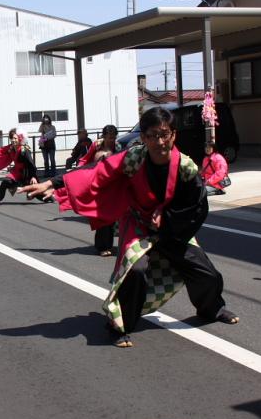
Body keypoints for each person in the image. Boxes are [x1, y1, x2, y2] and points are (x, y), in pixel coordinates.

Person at [21, 107, 240, 348]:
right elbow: (95, 172)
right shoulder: (133, 158)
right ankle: (119, 325)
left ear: (173, 135)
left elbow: (196, 206)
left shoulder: (185, 167)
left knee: (204, 270)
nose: (160, 142)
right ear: (143, 138)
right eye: (153, 135)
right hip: (138, 224)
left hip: (174, 228)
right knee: (134, 272)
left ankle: (212, 309)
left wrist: (166, 216)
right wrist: (53, 182)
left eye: (164, 134)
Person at [78, 125, 122, 256]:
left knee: (111, 217)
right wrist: (78, 172)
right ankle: (101, 246)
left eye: (113, 138)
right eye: (109, 138)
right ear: (104, 136)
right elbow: (84, 160)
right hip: (97, 185)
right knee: (101, 217)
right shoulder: (96, 146)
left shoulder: (118, 147)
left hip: (112, 186)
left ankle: (108, 245)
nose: (111, 140)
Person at [0, 128, 38, 206]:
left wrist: (33, 176)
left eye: (15, 138)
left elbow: (31, 164)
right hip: (16, 172)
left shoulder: (24, 150)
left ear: (20, 138)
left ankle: (48, 197)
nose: (13, 140)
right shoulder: (11, 147)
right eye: (12, 138)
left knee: (39, 192)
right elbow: (0, 150)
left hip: (27, 173)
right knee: (5, 182)